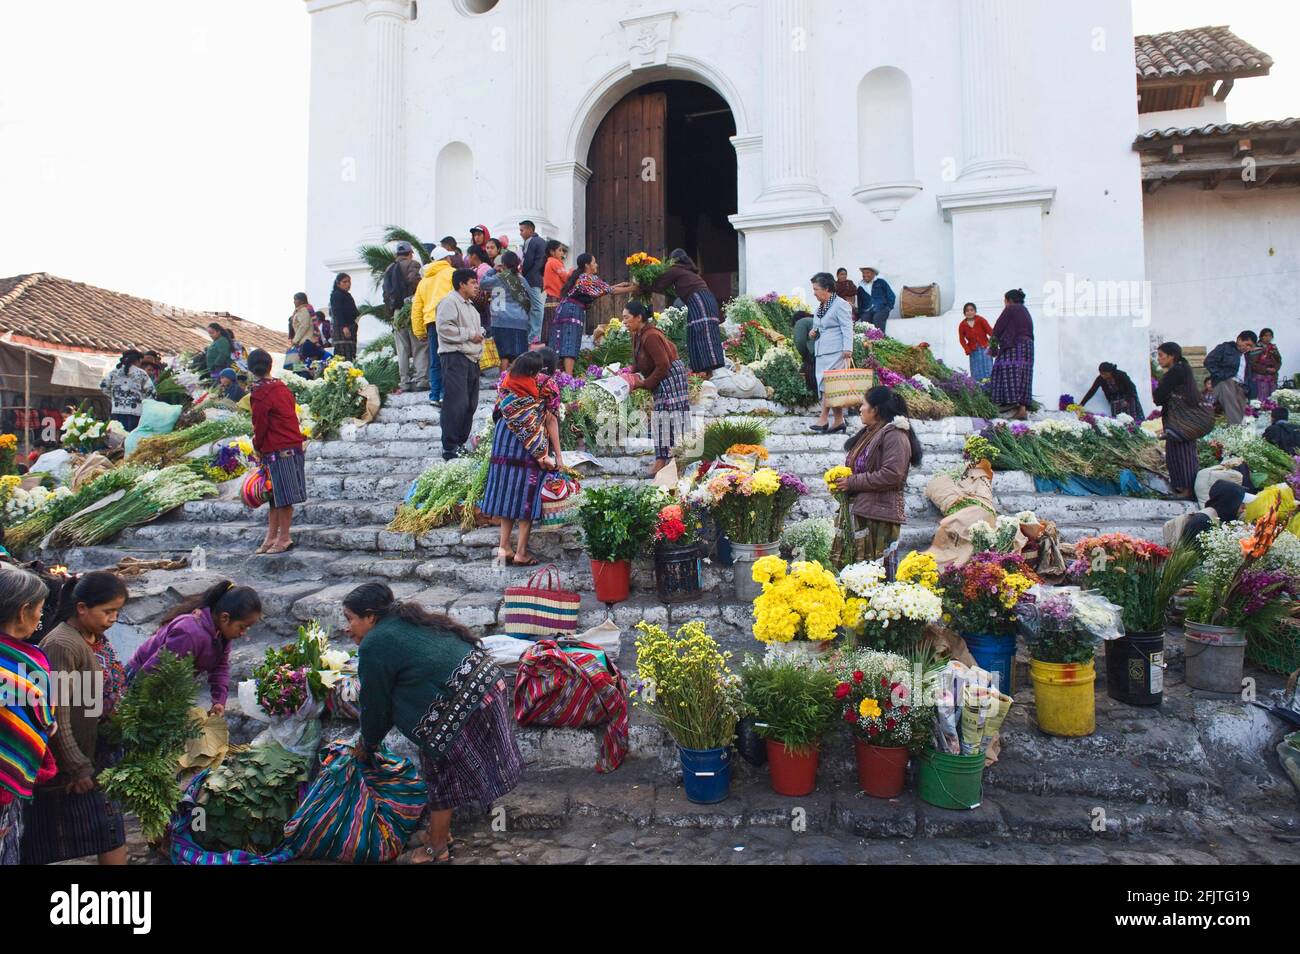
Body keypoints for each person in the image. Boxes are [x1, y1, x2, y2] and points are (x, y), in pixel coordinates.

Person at [345, 582, 521, 865]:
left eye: (349, 618)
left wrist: (367, 744)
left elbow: (375, 705)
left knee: (441, 771)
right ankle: (439, 835)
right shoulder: (404, 620)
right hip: (484, 682)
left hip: (464, 698)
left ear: (369, 617)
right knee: (440, 764)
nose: (347, 627)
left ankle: (437, 847)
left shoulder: (374, 644)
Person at [22, 572, 130, 866]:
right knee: (45, 839)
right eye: (108, 611)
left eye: (117, 611)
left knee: (111, 830)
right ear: (81, 608)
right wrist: (78, 767)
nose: (113, 618)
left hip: (95, 752)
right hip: (69, 762)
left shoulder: (94, 636)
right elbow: (57, 713)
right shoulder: (62, 645)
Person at [127, 580, 262, 716]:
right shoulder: (188, 633)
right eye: (242, 627)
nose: (243, 633)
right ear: (225, 618)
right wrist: (139, 704)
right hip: (140, 681)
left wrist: (219, 701)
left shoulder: (220, 635)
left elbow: (220, 668)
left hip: (168, 686)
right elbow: (154, 669)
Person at [829, 385, 924, 568]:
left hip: (878, 516)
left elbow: (892, 475)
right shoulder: (872, 432)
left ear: (876, 410)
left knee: (872, 575)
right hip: (864, 510)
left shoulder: (895, 435)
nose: (860, 409)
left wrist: (852, 482)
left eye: (864, 404)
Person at [480, 351, 559, 566]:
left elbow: (498, 411)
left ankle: (504, 546)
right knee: (527, 496)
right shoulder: (545, 385)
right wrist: (551, 455)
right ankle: (521, 552)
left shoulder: (506, 382)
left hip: (503, 441)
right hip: (524, 448)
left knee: (507, 494)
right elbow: (548, 421)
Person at [0, 568, 56, 865]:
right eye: (39, 609)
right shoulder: (27, 662)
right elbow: (42, 719)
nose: (41, 617)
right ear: (23, 612)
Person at [248, 348, 307, 552]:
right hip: (290, 446)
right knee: (274, 497)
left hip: (279, 449)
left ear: (251, 369)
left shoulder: (261, 393)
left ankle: (284, 538)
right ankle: (271, 537)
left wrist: (257, 446)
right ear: (270, 366)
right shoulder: (281, 388)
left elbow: (260, 425)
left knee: (282, 497)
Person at [624, 300, 692, 476]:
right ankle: (661, 460)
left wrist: (644, 384)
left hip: (671, 375)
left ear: (639, 318)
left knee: (673, 415)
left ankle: (678, 460)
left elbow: (663, 365)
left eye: (626, 318)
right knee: (659, 418)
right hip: (661, 374)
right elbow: (639, 362)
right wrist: (627, 375)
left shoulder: (651, 335)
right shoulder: (637, 335)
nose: (624, 321)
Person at [642, 249, 726, 377]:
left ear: (674, 260)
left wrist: (642, 285)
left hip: (700, 300)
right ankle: (702, 371)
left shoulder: (675, 269)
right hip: (703, 301)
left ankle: (712, 370)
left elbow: (659, 285)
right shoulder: (687, 271)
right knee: (694, 332)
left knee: (703, 331)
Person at [553, 254, 634, 374]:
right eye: (594, 262)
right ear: (587, 265)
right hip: (572, 311)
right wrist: (635, 289)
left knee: (562, 341)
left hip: (565, 310)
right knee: (571, 340)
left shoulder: (582, 277)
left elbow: (604, 289)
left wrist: (619, 285)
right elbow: (611, 291)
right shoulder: (588, 278)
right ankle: (568, 377)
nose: (596, 265)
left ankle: (559, 373)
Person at [435, 268, 485, 460]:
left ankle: (460, 443)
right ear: (461, 284)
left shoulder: (471, 306)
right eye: (472, 282)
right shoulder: (449, 301)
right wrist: (469, 334)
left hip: (472, 358)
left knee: (470, 404)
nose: (476, 286)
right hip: (455, 357)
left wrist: (478, 333)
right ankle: (449, 446)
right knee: (456, 402)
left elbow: (473, 330)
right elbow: (444, 328)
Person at [1153, 342, 1203, 500]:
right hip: (1180, 418)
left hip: (1180, 419)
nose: (1159, 359)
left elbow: (1160, 395)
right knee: (1176, 451)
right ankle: (1181, 487)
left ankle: (1186, 489)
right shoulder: (1182, 369)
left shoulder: (1177, 371)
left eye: (1161, 355)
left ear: (1171, 356)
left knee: (1182, 453)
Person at [808, 271, 855, 435]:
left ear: (826, 288)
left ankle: (823, 419)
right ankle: (838, 420)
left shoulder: (841, 304)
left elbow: (847, 327)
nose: (814, 293)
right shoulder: (820, 307)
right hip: (822, 351)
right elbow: (818, 326)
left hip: (837, 351)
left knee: (830, 385)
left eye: (816, 289)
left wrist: (848, 349)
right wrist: (813, 332)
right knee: (827, 386)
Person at [411, 248, 455, 404]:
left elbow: (416, 307)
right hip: (449, 320)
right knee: (449, 357)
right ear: (446, 259)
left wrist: (418, 331)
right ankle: (445, 394)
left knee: (435, 360)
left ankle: (435, 395)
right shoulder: (452, 273)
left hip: (431, 323)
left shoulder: (424, 281)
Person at [385, 241, 427, 393]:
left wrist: (391, 312)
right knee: (419, 344)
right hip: (411, 308)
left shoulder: (389, 269)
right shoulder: (413, 264)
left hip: (396, 312)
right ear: (410, 253)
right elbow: (414, 281)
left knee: (402, 347)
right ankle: (421, 378)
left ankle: (404, 381)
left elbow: (386, 294)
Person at [480, 250, 532, 369]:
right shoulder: (522, 280)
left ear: (503, 264)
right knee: (519, 355)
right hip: (520, 321)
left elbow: (482, 283)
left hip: (501, 321)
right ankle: (516, 381)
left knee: (503, 354)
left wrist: (493, 269)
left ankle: (502, 382)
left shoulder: (499, 278)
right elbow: (530, 299)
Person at [988, 288, 1035, 420]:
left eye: (1004, 300)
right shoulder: (1025, 310)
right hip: (1028, 347)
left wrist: (993, 344)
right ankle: (1022, 409)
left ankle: (1008, 402)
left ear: (1009, 300)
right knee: (1023, 375)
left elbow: (999, 326)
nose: (1004, 303)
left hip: (1016, 345)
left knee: (1001, 368)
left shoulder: (1011, 308)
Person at [1162, 479, 1246, 546]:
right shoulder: (1201, 522)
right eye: (1240, 504)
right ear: (1229, 504)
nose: (1243, 509)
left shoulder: (1214, 518)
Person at [1204, 330, 1256, 426]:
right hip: (1225, 382)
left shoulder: (1247, 356)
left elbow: (1247, 374)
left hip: (1241, 387)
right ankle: (1237, 434)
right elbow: (1209, 361)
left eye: (1251, 346)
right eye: (1247, 344)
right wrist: (1222, 376)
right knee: (1233, 414)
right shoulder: (1225, 348)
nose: (1248, 348)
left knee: (1241, 414)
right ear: (1239, 340)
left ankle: (1234, 435)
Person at [99, 350, 155, 430]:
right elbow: (152, 392)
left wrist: (114, 397)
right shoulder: (141, 374)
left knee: (116, 436)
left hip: (116, 411)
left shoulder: (114, 372)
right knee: (130, 437)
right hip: (135, 412)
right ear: (138, 360)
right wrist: (143, 401)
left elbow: (103, 386)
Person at [517, 221, 548, 346]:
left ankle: (534, 336)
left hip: (532, 278)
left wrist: (521, 271)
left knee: (536, 307)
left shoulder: (531, 241)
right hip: (538, 277)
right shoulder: (541, 241)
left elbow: (528, 260)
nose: (520, 233)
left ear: (530, 230)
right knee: (533, 307)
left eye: (522, 230)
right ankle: (532, 335)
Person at [1080, 362, 1145, 418]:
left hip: (1128, 396)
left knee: (1133, 418)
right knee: (1118, 420)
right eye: (1101, 373)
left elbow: (1132, 387)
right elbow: (1092, 391)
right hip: (1115, 400)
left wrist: (1127, 400)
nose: (1102, 375)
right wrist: (1081, 404)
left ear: (1110, 372)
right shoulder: (1100, 379)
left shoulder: (1121, 374)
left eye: (1104, 373)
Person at [542, 239, 570, 346]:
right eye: (560, 250)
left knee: (551, 331)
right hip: (555, 300)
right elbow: (566, 277)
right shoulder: (554, 262)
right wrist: (574, 271)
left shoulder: (550, 262)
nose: (562, 253)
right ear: (552, 252)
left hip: (552, 300)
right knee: (556, 332)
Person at [957, 302, 994, 383]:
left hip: (985, 349)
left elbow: (991, 332)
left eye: (971, 310)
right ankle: (980, 390)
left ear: (975, 311)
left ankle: (990, 387)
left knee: (988, 369)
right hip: (973, 351)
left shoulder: (981, 320)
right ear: (964, 313)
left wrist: (992, 345)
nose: (969, 312)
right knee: (976, 371)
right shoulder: (962, 325)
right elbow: (961, 339)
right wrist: (967, 349)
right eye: (967, 311)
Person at [856, 266, 896, 333]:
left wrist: (889, 307)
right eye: (863, 273)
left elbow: (891, 295)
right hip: (867, 310)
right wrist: (861, 313)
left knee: (877, 318)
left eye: (867, 272)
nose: (865, 275)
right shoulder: (860, 288)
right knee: (864, 321)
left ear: (873, 274)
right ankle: (867, 342)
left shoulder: (881, 282)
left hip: (881, 308)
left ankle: (879, 340)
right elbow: (860, 303)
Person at [329, 272, 358, 360]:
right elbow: (337, 312)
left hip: (351, 327)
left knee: (351, 352)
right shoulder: (336, 295)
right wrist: (344, 327)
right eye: (344, 282)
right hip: (342, 329)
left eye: (349, 281)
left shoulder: (347, 295)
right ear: (338, 284)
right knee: (343, 353)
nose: (348, 284)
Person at [1249, 327, 1282, 400]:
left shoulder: (1273, 348)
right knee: (1261, 397)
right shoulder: (1255, 348)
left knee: (1273, 397)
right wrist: (1266, 369)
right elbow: (1252, 363)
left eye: (1270, 336)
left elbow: (1279, 360)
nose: (1268, 338)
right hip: (1260, 376)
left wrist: (1275, 369)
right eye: (1265, 335)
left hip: (1272, 376)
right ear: (1261, 337)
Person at [791, 310, 818, 394]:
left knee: (811, 378)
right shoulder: (814, 320)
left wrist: (805, 355)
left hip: (814, 352)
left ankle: (814, 394)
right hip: (825, 350)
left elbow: (800, 342)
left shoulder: (800, 322)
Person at [288, 293, 313, 357]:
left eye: (295, 299)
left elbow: (304, 326)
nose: (294, 302)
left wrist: (295, 340)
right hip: (304, 341)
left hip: (305, 341)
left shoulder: (303, 310)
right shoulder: (301, 310)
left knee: (303, 365)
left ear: (302, 301)